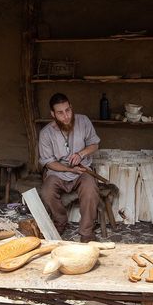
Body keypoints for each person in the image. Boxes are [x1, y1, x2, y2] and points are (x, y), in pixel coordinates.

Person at [38, 93, 101, 243]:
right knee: (46, 191)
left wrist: (81, 154)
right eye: (60, 113)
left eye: (68, 110)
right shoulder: (46, 133)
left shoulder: (83, 121)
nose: (66, 116)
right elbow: (49, 163)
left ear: (71, 108)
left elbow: (95, 144)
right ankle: (60, 221)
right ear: (52, 114)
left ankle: (86, 232)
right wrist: (69, 169)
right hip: (58, 172)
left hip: (82, 170)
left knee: (91, 190)